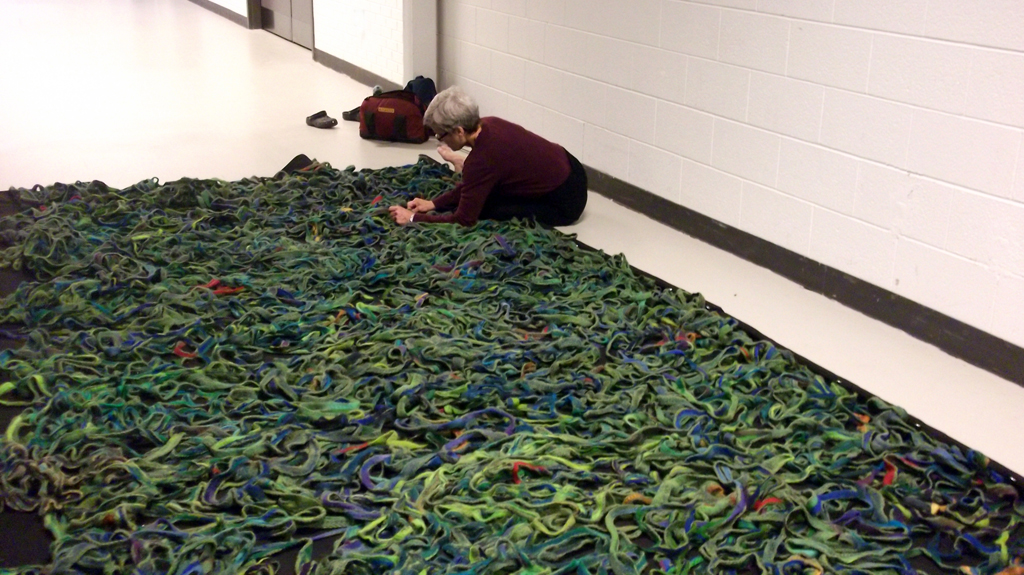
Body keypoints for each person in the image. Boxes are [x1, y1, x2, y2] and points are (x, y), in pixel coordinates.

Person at [388, 86, 587, 227]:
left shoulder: (482, 159)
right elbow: (474, 184)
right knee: (485, 188)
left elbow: (464, 220)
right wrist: (434, 204)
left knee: (489, 209)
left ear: (459, 131)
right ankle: (461, 167)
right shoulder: (489, 123)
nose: (441, 141)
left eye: (441, 135)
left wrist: (413, 218)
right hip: (573, 166)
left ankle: (461, 166)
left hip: (565, 202)